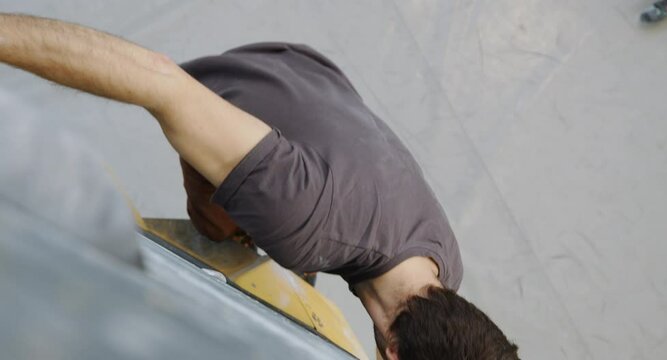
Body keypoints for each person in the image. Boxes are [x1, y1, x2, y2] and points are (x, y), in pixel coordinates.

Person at [0, 13, 519, 359]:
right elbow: (159, 83)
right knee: (222, 225)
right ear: (393, 353)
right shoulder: (304, 217)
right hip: (244, 80)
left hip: (317, 82)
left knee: (284, 243)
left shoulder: (444, 262)